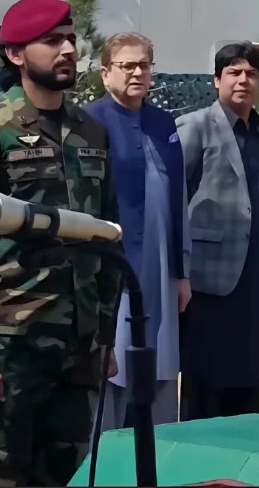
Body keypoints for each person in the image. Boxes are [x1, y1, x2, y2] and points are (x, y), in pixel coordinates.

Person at [0, 0, 120, 486]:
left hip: (78, 347)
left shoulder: (91, 131)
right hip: (10, 345)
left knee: (65, 474)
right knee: (1, 476)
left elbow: (109, 237)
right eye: (52, 41)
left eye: (71, 40)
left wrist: (103, 337)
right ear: (16, 54)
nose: (68, 50)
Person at [176, 42, 259, 419]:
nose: (243, 80)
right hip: (210, 279)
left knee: (251, 385)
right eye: (234, 73)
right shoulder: (194, 127)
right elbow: (173, 197)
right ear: (216, 80)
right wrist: (179, 269)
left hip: (258, 278)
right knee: (207, 389)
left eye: (252, 73)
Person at [86, 32, 191, 431]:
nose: (136, 73)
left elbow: (179, 197)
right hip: (112, 263)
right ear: (105, 73)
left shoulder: (164, 123)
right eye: (126, 65)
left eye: (143, 65)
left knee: (160, 359)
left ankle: (158, 448)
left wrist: (182, 272)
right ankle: (107, 448)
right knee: (111, 362)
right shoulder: (88, 123)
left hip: (161, 264)